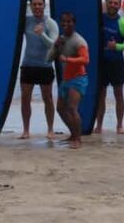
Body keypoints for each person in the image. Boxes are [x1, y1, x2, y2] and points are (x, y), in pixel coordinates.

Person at [95, 0, 124, 134]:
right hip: (101, 63)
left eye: (116, 3)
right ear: (106, 3)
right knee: (101, 95)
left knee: (118, 94)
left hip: (116, 63)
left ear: (119, 5)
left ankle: (119, 125)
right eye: (110, 2)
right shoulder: (99, 19)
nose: (113, 5)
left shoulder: (122, 23)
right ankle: (99, 125)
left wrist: (117, 46)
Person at [19, 0, 59, 139]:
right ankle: (26, 130)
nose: (37, 7)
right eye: (34, 4)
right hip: (28, 64)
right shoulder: (26, 21)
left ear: (44, 5)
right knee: (25, 98)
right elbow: (8, 26)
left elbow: (54, 45)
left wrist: (42, 34)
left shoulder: (50, 23)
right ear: (30, 6)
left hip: (45, 66)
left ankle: (50, 129)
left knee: (47, 98)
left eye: (39, 4)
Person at [48, 12, 89, 149]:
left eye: (69, 21)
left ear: (74, 23)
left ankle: (78, 139)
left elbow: (85, 59)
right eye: (63, 21)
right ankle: (73, 134)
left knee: (72, 108)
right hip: (66, 79)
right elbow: (49, 58)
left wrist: (68, 60)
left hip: (78, 79)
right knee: (60, 108)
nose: (66, 24)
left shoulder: (79, 41)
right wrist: (56, 45)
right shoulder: (62, 39)